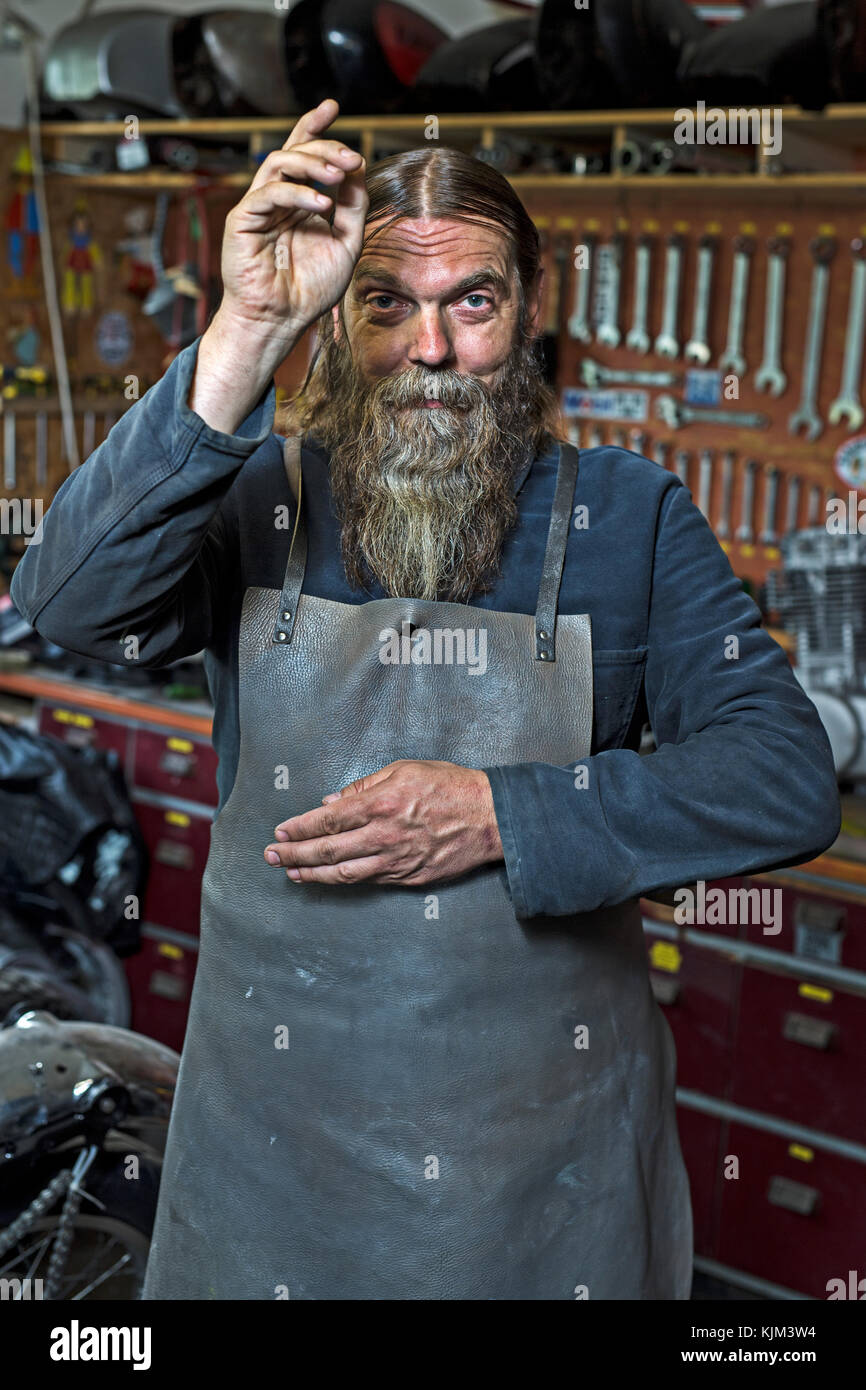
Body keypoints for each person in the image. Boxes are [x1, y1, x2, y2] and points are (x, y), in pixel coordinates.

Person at [10, 99, 841, 1301]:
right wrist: (246, 329)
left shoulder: (630, 516)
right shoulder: (257, 496)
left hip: (537, 1179)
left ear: (531, 304)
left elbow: (781, 778)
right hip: (268, 1158)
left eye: (473, 303)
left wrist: (504, 814)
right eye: (385, 305)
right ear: (337, 319)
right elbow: (72, 602)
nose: (431, 353)